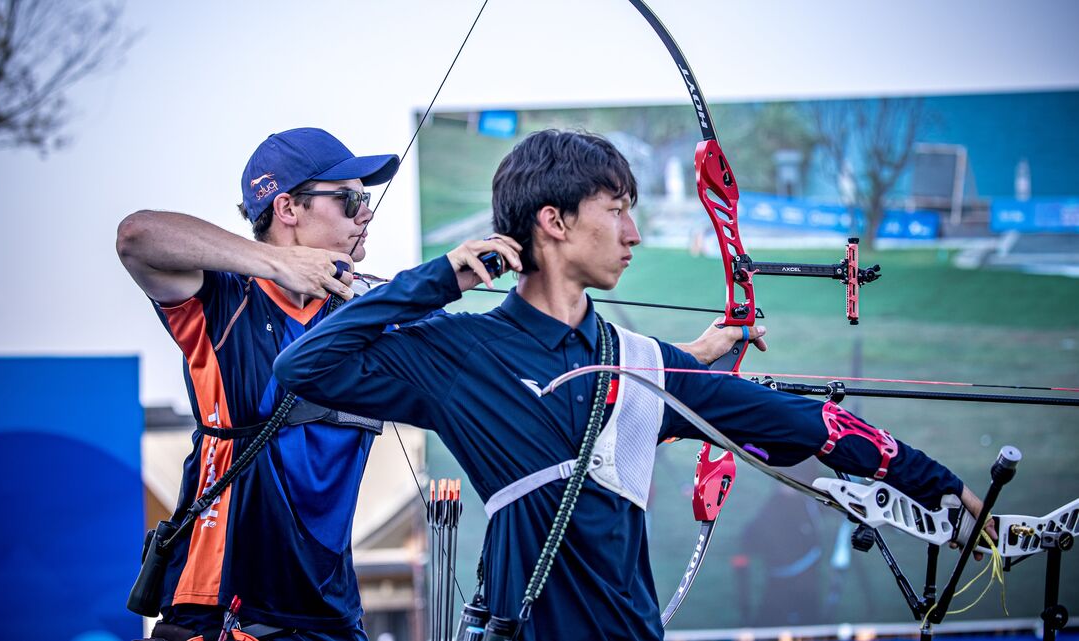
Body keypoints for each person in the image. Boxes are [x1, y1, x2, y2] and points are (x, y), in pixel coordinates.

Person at [271, 130, 987, 641]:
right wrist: (442, 279)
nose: (633, 231)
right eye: (615, 209)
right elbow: (303, 366)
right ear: (552, 221)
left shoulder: (642, 362)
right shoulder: (462, 352)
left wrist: (936, 484)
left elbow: (801, 424)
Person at [116, 127, 399, 641]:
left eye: (368, 199)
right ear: (288, 208)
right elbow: (137, 237)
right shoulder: (222, 298)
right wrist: (279, 264)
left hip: (329, 612)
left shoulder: (365, 305)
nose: (367, 212)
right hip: (221, 604)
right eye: (351, 198)